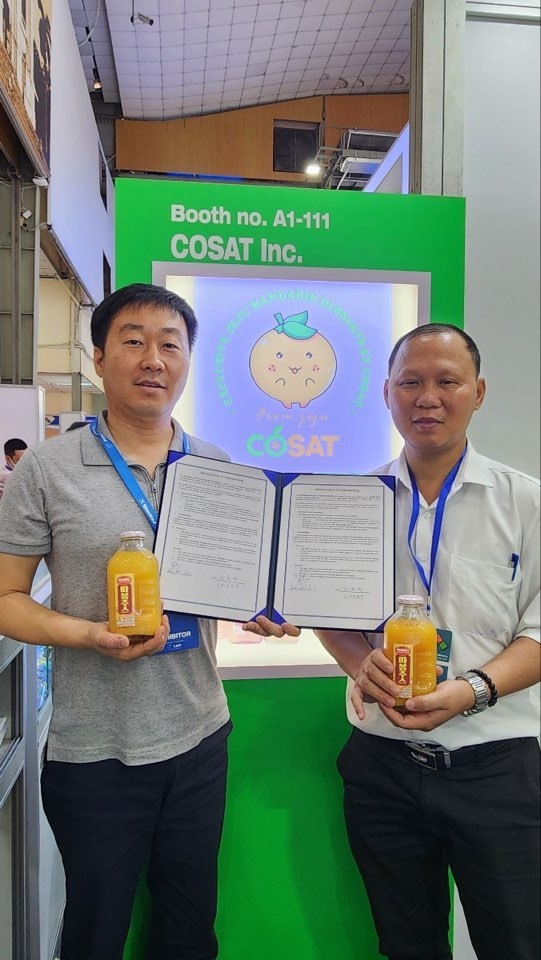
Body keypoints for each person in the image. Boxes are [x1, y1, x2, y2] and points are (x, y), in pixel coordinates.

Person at [0, 283, 298, 960]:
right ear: (100, 357)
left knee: (189, 930)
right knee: (96, 930)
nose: (153, 359)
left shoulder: (218, 467)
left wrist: (263, 603)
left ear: (188, 361)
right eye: (133, 341)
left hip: (199, 735)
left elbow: (233, 582)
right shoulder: (46, 468)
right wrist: (87, 635)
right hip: (93, 750)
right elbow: (7, 597)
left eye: (171, 344)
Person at [316, 323, 540, 960]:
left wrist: (473, 689)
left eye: (447, 381)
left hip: (496, 763)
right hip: (381, 765)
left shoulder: (526, 503)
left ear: (479, 392)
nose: (428, 397)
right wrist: (361, 664)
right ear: (387, 393)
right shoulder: (350, 504)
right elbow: (328, 613)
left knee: (517, 943)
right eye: (410, 382)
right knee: (405, 945)